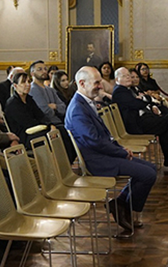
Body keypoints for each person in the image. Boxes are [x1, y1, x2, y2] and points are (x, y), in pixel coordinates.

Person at [66, 67, 157, 232]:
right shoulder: (78, 110)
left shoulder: (85, 102)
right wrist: (121, 152)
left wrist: (120, 148)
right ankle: (126, 209)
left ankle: (120, 203)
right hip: (98, 161)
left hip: (106, 153)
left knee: (151, 168)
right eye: (97, 83)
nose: (101, 86)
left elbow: (103, 137)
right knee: (148, 174)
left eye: (100, 82)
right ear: (81, 83)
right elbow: (95, 142)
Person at [6, 71, 54, 146]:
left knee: (60, 130)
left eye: (28, 81)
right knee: (49, 136)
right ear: (15, 86)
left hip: (37, 130)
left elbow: (41, 115)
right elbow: (27, 123)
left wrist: (51, 125)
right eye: (23, 82)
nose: (28, 85)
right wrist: (47, 127)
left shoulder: (29, 99)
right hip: (24, 136)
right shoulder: (12, 103)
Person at [28, 60, 66, 124]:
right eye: (40, 69)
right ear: (32, 73)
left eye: (45, 69)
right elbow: (45, 111)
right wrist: (56, 109)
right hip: (47, 124)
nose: (44, 71)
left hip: (58, 122)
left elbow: (63, 108)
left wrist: (54, 106)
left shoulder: (51, 90)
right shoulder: (33, 89)